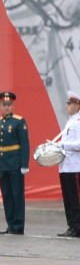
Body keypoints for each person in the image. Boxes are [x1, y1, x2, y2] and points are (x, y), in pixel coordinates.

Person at [0, 89, 29, 234]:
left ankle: (18, 226)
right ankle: (10, 224)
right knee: (7, 195)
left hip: (15, 162)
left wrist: (24, 164)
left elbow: (25, 144)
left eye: (9, 104)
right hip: (3, 163)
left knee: (17, 194)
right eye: (4, 104)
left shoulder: (18, 121)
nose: (6, 107)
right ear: (0, 106)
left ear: (13, 105)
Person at [57, 91, 80, 239]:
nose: (67, 106)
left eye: (70, 103)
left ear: (78, 105)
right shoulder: (70, 121)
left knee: (75, 198)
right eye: (67, 103)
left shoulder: (78, 123)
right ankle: (71, 225)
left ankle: (77, 227)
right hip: (65, 166)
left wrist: (63, 145)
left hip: (75, 167)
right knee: (68, 198)